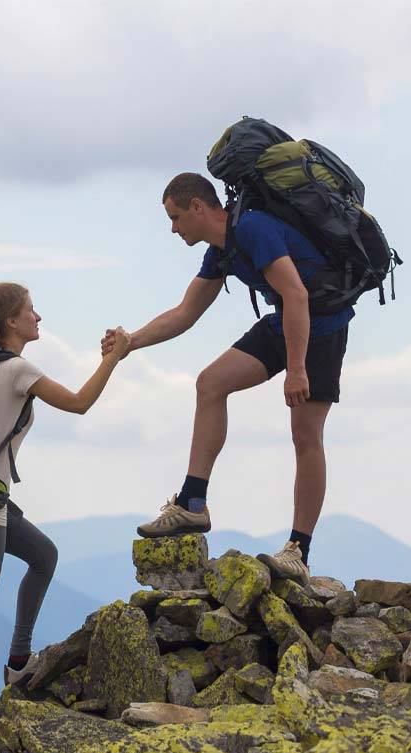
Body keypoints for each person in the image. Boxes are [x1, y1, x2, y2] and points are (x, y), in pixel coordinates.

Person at [106, 172, 352, 583]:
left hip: (322, 328)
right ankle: (192, 503)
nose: (173, 228)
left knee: (305, 435)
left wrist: (296, 370)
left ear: (199, 208)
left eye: (176, 217)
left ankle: (298, 550)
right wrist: (131, 341)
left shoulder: (253, 229)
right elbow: (185, 314)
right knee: (210, 383)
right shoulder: (222, 250)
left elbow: (297, 295)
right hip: (284, 323)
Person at [0, 282, 131, 753]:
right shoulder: (17, 369)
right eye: (31, 311)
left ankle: (18, 661)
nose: (39, 317)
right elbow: (79, 402)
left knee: (44, 555)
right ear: (11, 322)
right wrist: (113, 358)